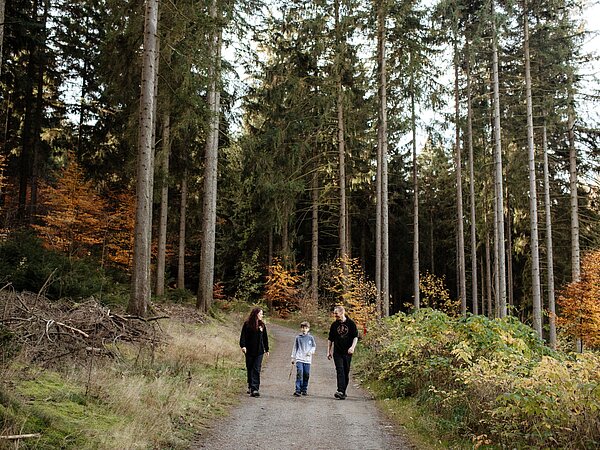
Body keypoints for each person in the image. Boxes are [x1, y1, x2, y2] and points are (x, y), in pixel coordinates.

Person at [327, 305, 358, 400]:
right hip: (337, 352)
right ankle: (340, 390)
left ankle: (343, 392)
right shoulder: (334, 325)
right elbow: (330, 339)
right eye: (334, 314)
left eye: (336, 313)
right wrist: (328, 351)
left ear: (342, 312)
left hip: (348, 352)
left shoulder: (351, 324)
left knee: (346, 371)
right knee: (339, 370)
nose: (335, 315)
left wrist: (352, 347)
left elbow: (355, 337)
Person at [239, 308, 269, 397]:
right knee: (250, 368)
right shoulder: (247, 324)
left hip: (259, 351)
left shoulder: (262, 325)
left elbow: (265, 338)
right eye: (260, 314)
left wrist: (267, 349)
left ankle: (255, 389)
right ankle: (250, 385)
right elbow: (243, 336)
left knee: (256, 369)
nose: (262, 315)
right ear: (256, 314)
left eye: (262, 314)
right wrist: (243, 346)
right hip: (249, 350)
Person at [290, 321, 317, 397]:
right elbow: (295, 347)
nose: (304, 329)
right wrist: (293, 357)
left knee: (306, 374)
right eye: (303, 328)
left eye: (306, 328)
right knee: (299, 373)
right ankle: (297, 390)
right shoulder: (298, 338)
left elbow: (314, 346)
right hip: (299, 358)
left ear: (308, 329)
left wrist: (311, 352)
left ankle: (304, 389)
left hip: (307, 359)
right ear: (300, 328)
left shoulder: (311, 338)